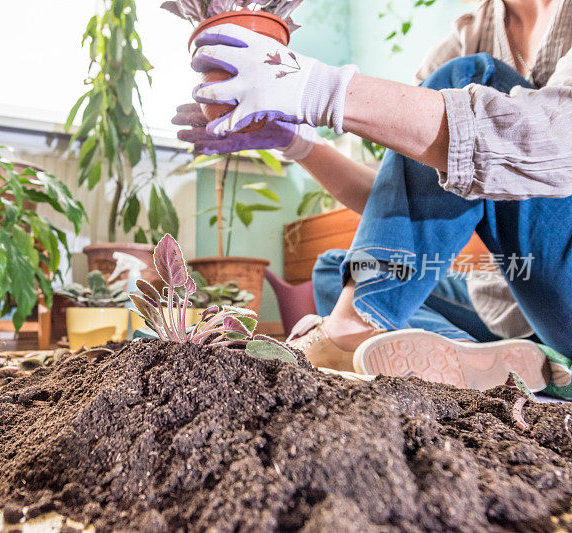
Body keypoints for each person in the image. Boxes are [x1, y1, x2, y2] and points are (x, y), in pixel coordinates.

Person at [175, 0, 572, 397]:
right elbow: (404, 204)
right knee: (339, 269)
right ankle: (486, 363)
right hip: (513, 303)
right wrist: (296, 143)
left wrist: (322, 90)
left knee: (468, 77)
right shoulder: (469, 32)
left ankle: (348, 333)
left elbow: (553, 142)